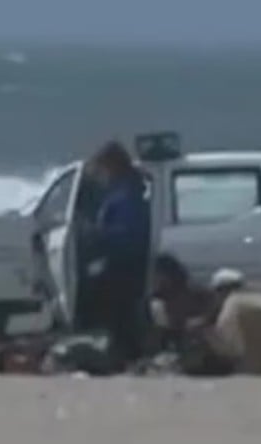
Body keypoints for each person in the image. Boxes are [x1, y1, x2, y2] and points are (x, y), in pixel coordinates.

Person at [81, 140, 151, 363]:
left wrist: (98, 233)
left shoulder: (127, 192)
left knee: (119, 311)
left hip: (125, 262)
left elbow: (130, 231)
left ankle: (125, 354)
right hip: (119, 260)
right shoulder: (124, 188)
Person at [149, 253, 218, 351]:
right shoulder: (157, 297)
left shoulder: (195, 291)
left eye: (158, 275)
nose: (156, 280)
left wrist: (204, 319)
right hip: (175, 342)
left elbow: (216, 307)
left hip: (200, 344)